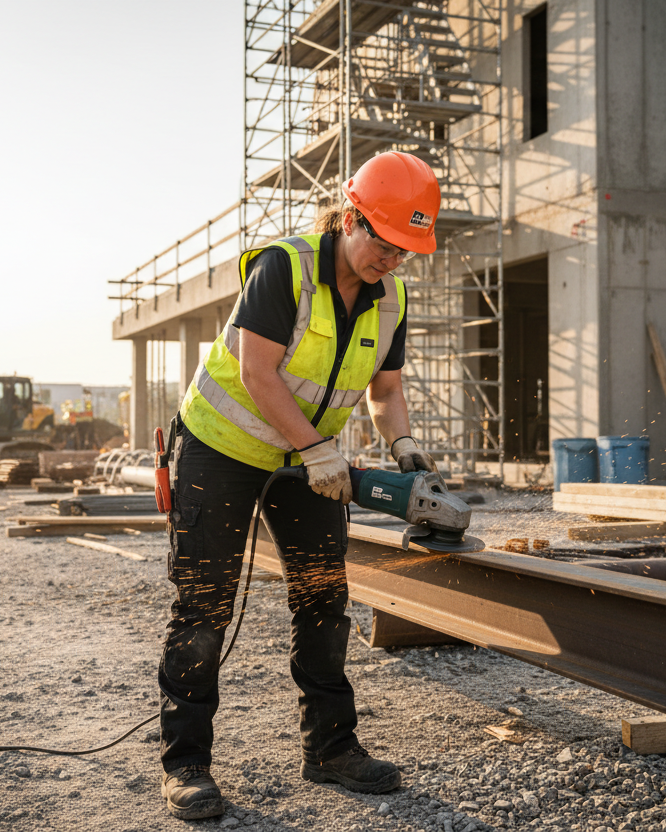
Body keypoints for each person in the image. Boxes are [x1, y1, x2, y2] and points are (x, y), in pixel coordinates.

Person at [159, 150, 442, 820]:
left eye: (404, 250)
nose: (391, 260)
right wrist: (317, 449)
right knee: (204, 606)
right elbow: (257, 371)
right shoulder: (284, 268)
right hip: (222, 448)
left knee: (323, 598)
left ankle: (330, 748)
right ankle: (186, 764)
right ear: (351, 218)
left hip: (307, 462)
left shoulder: (392, 298)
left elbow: (386, 391)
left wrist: (405, 449)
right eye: (384, 242)